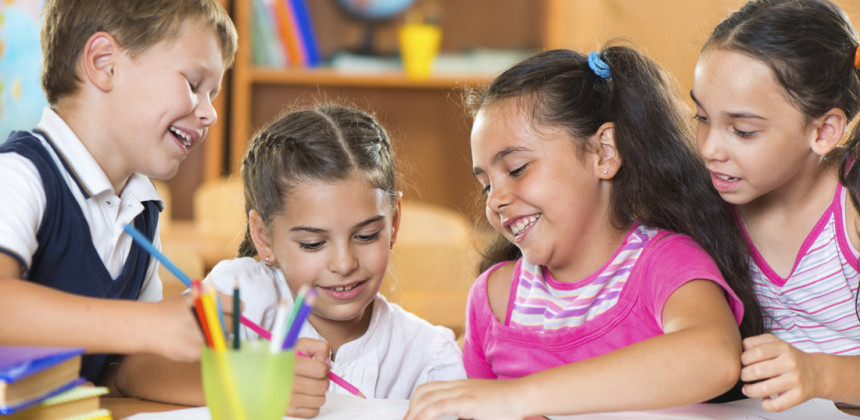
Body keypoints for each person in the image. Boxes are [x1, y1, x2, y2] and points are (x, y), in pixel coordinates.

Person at [403, 45, 766, 420]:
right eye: (486, 186)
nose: (495, 201)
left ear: (604, 153)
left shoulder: (665, 265)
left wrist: (518, 396)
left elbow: (714, 358)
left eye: (516, 169)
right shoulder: (494, 299)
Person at [117, 104, 467, 418]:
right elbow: (131, 370)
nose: (344, 263)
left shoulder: (428, 355)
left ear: (394, 222)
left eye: (366, 236)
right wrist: (252, 385)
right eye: (313, 243)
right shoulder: (241, 296)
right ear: (263, 237)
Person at [0, 0, 237, 388]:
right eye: (194, 85)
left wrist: (246, 381)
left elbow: (124, 367)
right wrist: (148, 324)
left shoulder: (140, 210)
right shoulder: (19, 175)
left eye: (213, 93)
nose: (209, 113)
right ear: (105, 62)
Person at [692, 0, 860, 412]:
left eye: (743, 131)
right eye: (701, 117)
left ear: (823, 130)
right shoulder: (708, 204)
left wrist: (820, 374)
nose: (711, 149)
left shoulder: (852, 204)